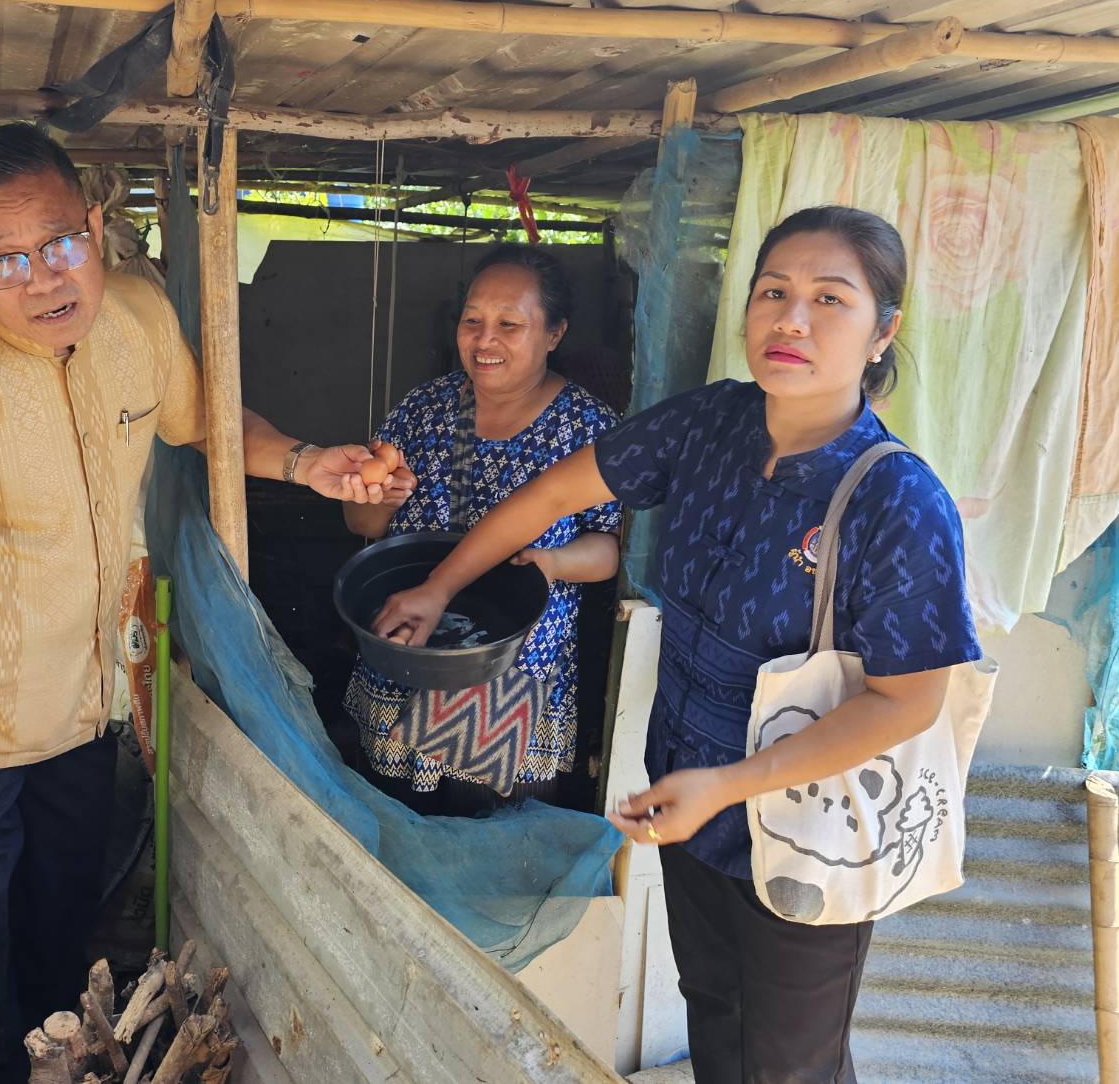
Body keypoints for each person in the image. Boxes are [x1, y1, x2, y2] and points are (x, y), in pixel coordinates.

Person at [0, 123, 394, 1084]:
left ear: (97, 223)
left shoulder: (139, 322)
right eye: (3, 260)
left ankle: (59, 1065)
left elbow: (205, 420)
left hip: (81, 697)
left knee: (62, 920)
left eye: (62, 241)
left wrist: (306, 462)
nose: (42, 279)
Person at [373, 206, 983, 1082]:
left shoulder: (897, 501)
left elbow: (909, 699)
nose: (790, 319)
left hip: (807, 824)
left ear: (882, 331)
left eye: (828, 299)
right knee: (716, 1014)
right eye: (772, 292)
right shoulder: (708, 425)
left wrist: (727, 787)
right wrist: (440, 585)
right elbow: (549, 497)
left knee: (788, 1063)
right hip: (690, 803)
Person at [343, 243, 622, 815]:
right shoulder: (424, 409)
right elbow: (361, 525)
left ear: (554, 333)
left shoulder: (589, 427)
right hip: (409, 653)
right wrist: (380, 495)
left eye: (509, 324)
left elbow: (608, 549)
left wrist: (555, 563)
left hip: (513, 675)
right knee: (393, 824)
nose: (484, 339)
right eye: (473, 321)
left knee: (487, 831)